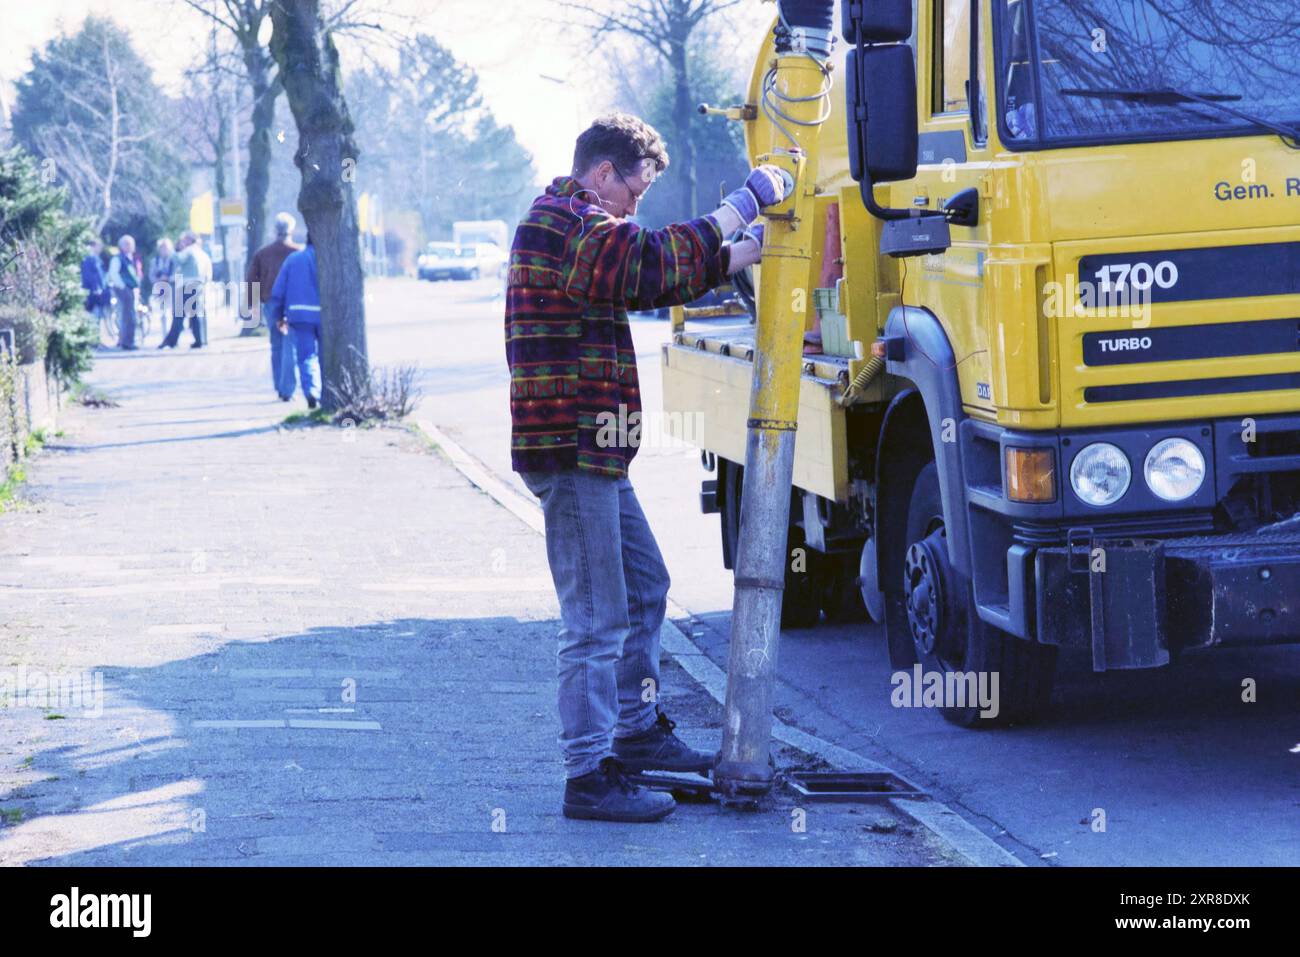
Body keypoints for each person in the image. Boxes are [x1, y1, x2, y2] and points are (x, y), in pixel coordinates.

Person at [505, 112, 779, 823]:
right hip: (572, 450)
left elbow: (639, 281)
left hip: (592, 449)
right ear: (603, 175)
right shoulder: (566, 222)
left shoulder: (579, 229)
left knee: (645, 586)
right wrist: (741, 205)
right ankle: (589, 775)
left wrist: (739, 255)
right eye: (635, 189)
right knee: (596, 619)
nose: (637, 205)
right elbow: (645, 259)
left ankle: (633, 732)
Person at [246, 213, 302, 399]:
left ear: (274, 230)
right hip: (293, 304)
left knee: (276, 344)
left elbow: (252, 280)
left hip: (271, 304)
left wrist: (252, 305)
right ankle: (287, 388)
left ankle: (280, 385)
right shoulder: (298, 252)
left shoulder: (262, 254)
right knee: (290, 345)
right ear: (291, 230)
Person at [265, 233, 321, 409]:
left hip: (299, 315)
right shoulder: (328, 259)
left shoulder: (294, 260)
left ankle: (311, 391)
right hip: (324, 315)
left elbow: (278, 291)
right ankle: (327, 392)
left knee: (306, 356)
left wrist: (278, 316)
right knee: (325, 356)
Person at [174, 231, 212, 348]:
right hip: (199, 285)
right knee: (196, 314)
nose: (182, 243)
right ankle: (200, 339)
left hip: (188, 285)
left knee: (180, 313)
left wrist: (176, 250)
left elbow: (178, 259)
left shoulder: (188, 250)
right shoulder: (202, 253)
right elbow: (208, 271)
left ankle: (172, 340)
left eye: (184, 240)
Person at [105, 235, 140, 350]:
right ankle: (126, 342)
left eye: (130, 244)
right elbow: (113, 274)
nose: (130, 246)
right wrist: (123, 286)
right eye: (127, 244)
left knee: (129, 315)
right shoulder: (118, 259)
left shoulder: (129, 258)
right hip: (124, 289)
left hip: (130, 289)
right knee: (127, 316)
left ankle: (127, 340)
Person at [80, 238, 110, 327]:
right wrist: (96, 288)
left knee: (97, 315)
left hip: (98, 291)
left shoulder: (96, 258)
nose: (100, 249)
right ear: (93, 246)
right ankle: (93, 337)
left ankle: (95, 336)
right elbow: (89, 275)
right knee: (93, 315)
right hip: (93, 292)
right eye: (99, 246)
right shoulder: (89, 258)